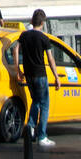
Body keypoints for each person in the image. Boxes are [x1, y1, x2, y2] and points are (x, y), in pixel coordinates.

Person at [12, 9, 61, 148]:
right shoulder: (44, 38)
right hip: (40, 74)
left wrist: (18, 70)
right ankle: (41, 134)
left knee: (36, 101)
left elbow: (15, 49)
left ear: (33, 21)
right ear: (43, 22)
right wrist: (56, 76)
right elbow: (50, 59)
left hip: (28, 73)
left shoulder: (24, 35)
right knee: (44, 104)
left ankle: (31, 128)